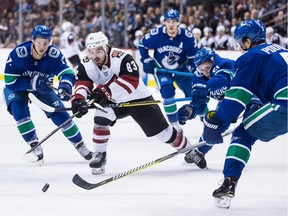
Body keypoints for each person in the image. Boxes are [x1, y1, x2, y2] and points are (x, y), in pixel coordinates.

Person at [71, 31, 196, 175]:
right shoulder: (87, 63)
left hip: (138, 100)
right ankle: (100, 154)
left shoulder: (122, 58)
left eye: (98, 51)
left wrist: (104, 92)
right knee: (100, 118)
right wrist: (79, 99)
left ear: (106, 47)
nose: (94, 56)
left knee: (164, 134)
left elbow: (132, 81)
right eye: (91, 52)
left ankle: (189, 150)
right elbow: (82, 82)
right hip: (112, 101)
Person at [201, 20, 287, 205]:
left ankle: (229, 183)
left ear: (248, 41)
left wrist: (218, 120)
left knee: (243, 133)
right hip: (280, 99)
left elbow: (237, 97)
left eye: (241, 43)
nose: (240, 47)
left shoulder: (251, 56)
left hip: (284, 104)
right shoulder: (280, 50)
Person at [3, 25, 93, 165]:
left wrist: (65, 85)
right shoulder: (18, 53)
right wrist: (31, 83)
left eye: (46, 43)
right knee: (20, 113)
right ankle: (34, 145)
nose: (42, 46)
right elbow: (10, 81)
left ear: (50, 42)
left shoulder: (54, 55)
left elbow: (67, 73)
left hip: (42, 88)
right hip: (17, 88)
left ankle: (80, 145)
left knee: (62, 116)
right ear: (33, 40)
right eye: (39, 42)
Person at [138, 9, 198, 131]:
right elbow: (142, 44)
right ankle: (174, 124)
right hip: (162, 70)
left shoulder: (187, 37)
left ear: (178, 22)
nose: (171, 24)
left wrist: (193, 70)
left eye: (173, 21)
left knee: (196, 94)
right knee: (167, 92)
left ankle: (204, 118)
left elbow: (193, 58)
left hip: (182, 69)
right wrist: (146, 59)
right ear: (164, 22)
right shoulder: (156, 34)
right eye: (168, 21)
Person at [177, 47, 235, 169]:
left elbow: (222, 79)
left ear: (213, 61)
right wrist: (191, 109)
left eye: (207, 68)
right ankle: (200, 152)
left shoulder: (226, 64)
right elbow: (200, 102)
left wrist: (206, 87)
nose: (205, 72)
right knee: (213, 126)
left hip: (250, 96)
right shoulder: (198, 76)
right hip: (228, 100)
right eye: (202, 69)